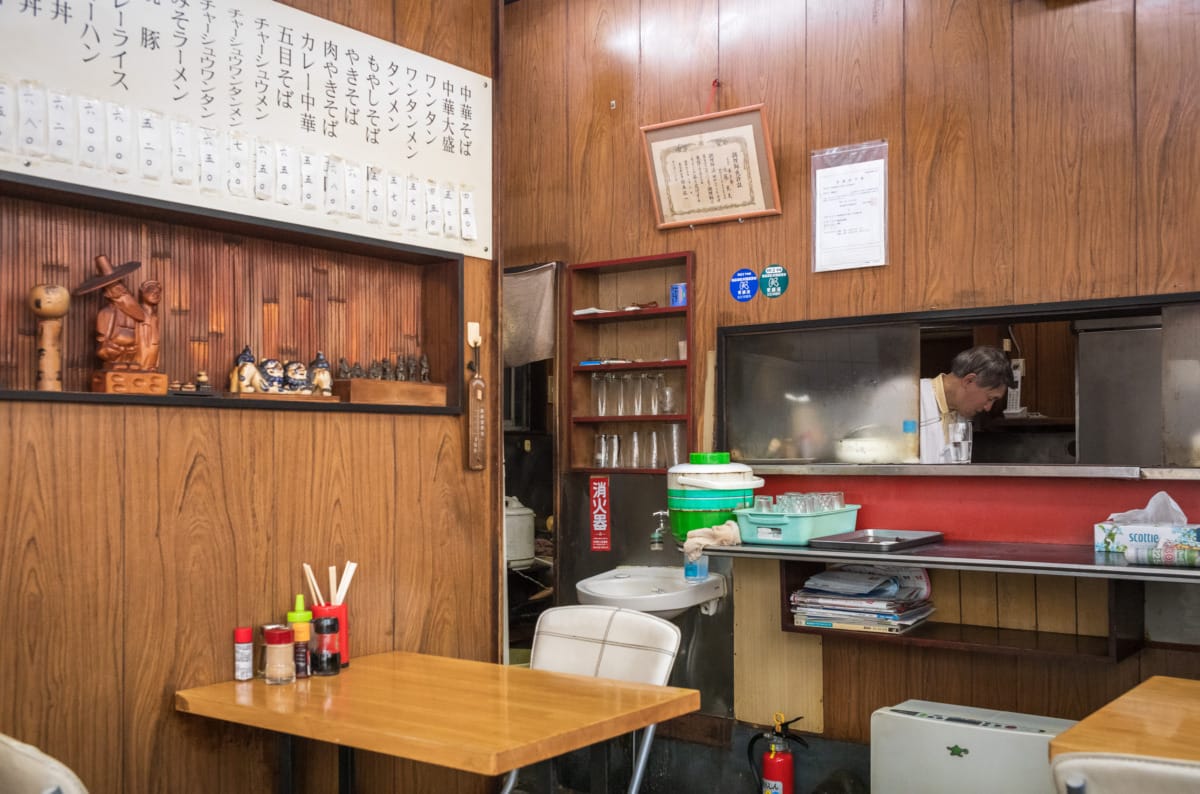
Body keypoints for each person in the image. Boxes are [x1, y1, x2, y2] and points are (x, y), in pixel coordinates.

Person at [919, 345, 1015, 464]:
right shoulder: (911, 399)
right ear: (969, 381)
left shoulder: (962, 414)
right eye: (990, 398)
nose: (988, 408)